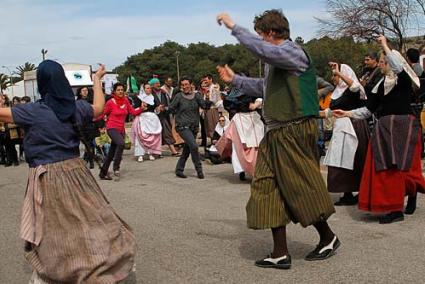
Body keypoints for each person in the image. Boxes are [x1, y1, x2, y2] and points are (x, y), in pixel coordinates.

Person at [217, 10, 338, 269]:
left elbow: (265, 51)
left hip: (293, 128)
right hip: (276, 131)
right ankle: (280, 252)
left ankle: (328, 238)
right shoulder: (277, 61)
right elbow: (265, 87)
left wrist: (233, 27)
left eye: (261, 34)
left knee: (299, 186)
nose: (260, 39)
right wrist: (236, 79)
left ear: (270, 33)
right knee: (265, 187)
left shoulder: (293, 52)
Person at [0, 60, 136, 283]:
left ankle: (66, 269)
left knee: (57, 229)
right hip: (78, 172)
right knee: (90, 220)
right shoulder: (78, 107)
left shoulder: (33, 111)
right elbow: (100, 108)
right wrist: (97, 79)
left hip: (48, 176)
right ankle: (100, 261)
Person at [334, 35, 425, 224]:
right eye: (382, 61)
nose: (382, 65)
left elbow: (399, 67)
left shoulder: (404, 80)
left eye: (384, 62)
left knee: (398, 168)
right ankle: (400, 200)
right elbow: (368, 110)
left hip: (403, 127)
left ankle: (395, 209)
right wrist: (347, 114)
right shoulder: (380, 85)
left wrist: (384, 45)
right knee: (386, 168)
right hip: (385, 129)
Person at [320, 63, 369, 206]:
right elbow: (330, 111)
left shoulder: (353, 89)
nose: (333, 77)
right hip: (341, 128)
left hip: (355, 126)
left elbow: (354, 86)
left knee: (357, 160)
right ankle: (347, 192)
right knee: (342, 162)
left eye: (335, 75)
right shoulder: (337, 93)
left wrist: (339, 72)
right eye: (334, 75)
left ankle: (362, 192)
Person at [168, 76, 212, 179]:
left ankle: (179, 170)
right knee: (194, 146)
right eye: (182, 85)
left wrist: (208, 97)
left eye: (186, 84)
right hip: (182, 127)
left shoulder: (197, 96)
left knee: (187, 150)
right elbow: (171, 108)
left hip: (194, 127)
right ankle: (199, 170)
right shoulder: (178, 96)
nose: (184, 87)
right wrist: (162, 109)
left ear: (191, 85)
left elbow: (205, 106)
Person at [99, 82, 142, 181]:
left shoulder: (126, 101)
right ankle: (116, 167)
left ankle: (103, 172)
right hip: (111, 128)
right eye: (118, 90)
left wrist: (141, 108)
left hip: (121, 130)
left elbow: (133, 112)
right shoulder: (110, 102)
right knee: (121, 144)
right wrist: (96, 121)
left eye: (122, 90)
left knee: (111, 153)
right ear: (114, 91)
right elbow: (102, 114)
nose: (120, 91)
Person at [216, 93, 264, 181]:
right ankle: (243, 170)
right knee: (239, 147)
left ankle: (255, 171)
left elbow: (260, 99)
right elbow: (226, 103)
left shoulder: (252, 91)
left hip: (253, 119)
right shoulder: (234, 94)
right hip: (240, 119)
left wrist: (256, 104)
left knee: (256, 147)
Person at [131, 83, 162, 162]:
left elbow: (156, 108)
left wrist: (158, 109)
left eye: (150, 88)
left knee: (152, 136)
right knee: (141, 136)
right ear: (143, 89)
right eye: (147, 88)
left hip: (152, 119)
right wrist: (141, 107)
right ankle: (140, 154)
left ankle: (150, 153)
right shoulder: (139, 98)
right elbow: (135, 109)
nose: (149, 89)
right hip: (143, 118)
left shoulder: (153, 97)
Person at [150, 78, 180, 156]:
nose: (158, 85)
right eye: (156, 83)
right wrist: (156, 109)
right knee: (156, 135)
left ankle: (173, 151)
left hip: (164, 116)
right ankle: (156, 151)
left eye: (159, 83)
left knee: (167, 132)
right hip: (154, 118)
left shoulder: (164, 93)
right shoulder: (150, 94)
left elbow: (169, 104)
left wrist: (165, 108)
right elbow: (149, 107)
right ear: (152, 85)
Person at [76, 86, 99, 169]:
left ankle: (90, 160)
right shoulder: (77, 102)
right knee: (87, 144)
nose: (85, 92)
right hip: (82, 125)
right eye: (83, 90)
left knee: (90, 144)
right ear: (80, 92)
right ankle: (88, 159)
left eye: (86, 90)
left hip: (90, 125)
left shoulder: (91, 101)